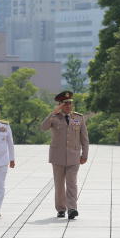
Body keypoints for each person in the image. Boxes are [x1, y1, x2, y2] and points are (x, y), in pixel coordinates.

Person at [40, 91, 89, 220]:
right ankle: (61, 208)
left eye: (70, 103)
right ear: (60, 105)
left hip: (74, 156)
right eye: (65, 104)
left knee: (72, 183)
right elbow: (43, 127)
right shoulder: (54, 117)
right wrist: (53, 113)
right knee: (59, 184)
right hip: (57, 157)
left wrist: (85, 154)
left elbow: (84, 138)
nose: (68, 106)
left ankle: (72, 208)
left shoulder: (78, 118)